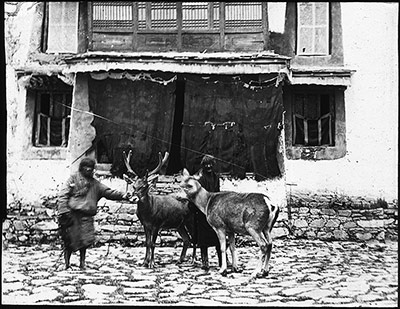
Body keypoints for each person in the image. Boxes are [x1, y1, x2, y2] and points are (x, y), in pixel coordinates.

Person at [57, 157, 131, 270]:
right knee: (69, 241)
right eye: (85, 167)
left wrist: (123, 195)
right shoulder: (73, 179)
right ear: (81, 168)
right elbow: (63, 195)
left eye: (90, 168)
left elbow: (108, 192)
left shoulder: (95, 184)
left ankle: (82, 263)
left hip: (87, 217)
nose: (88, 169)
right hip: (72, 216)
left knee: (85, 242)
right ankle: (67, 264)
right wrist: (63, 212)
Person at [189, 154, 224, 270]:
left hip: (214, 211)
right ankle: (205, 261)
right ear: (203, 166)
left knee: (218, 237)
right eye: (206, 164)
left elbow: (218, 193)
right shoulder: (199, 179)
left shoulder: (216, 177)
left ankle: (222, 260)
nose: (209, 166)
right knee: (203, 239)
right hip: (202, 211)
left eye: (211, 164)